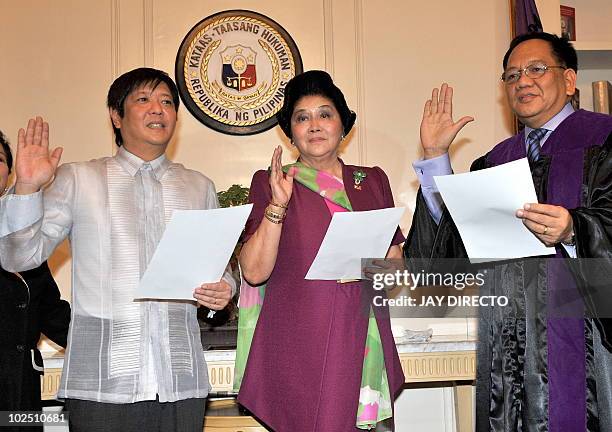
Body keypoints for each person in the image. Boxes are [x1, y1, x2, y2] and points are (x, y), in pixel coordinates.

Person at [0, 68, 236, 432]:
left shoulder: (198, 186)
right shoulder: (79, 179)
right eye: (143, 100)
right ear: (115, 114)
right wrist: (28, 188)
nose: (158, 109)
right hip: (103, 386)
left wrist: (224, 288)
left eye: (167, 102)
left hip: (181, 381)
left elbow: (217, 269)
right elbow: (18, 257)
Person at [406, 32, 612, 430]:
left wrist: (575, 231)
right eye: (512, 75)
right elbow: (446, 259)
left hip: (586, 341)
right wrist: (434, 159)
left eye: (537, 69)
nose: (522, 81)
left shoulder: (603, 139)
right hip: (508, 345)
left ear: (569, 81)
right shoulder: (495, 161)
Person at [236, 70, 405, 431]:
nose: (314, 125)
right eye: (302, 117)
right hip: (301, 346)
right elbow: (253, 272)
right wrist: (278, 205)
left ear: (343, 125)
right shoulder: (271, 182)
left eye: (325, 114)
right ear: (291, 131)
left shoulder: (371, 180)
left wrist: (384, 270)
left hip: (362, 338)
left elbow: (394, 267)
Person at [0, 131, 70, 432]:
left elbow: (52, 315)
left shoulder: (24, 234)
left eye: (0, 159)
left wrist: (111, 339)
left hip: (19, 398)